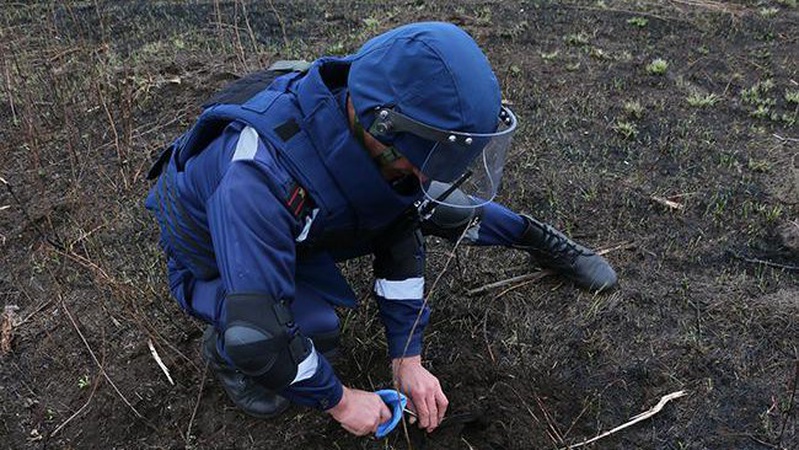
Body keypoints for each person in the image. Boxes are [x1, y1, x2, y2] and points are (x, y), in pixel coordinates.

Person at [145, 22, 616, 437]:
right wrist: (341, 401)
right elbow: (261, 334)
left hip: (299, 221)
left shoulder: (370, 129)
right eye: (434, 159)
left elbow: (400, 230)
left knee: (436, 208)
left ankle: (542, 241)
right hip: (212, 255)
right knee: (304, 329)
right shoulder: (258, 181)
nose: (437, 174)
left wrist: (405, 357)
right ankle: (222, 347)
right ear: (385, 130)